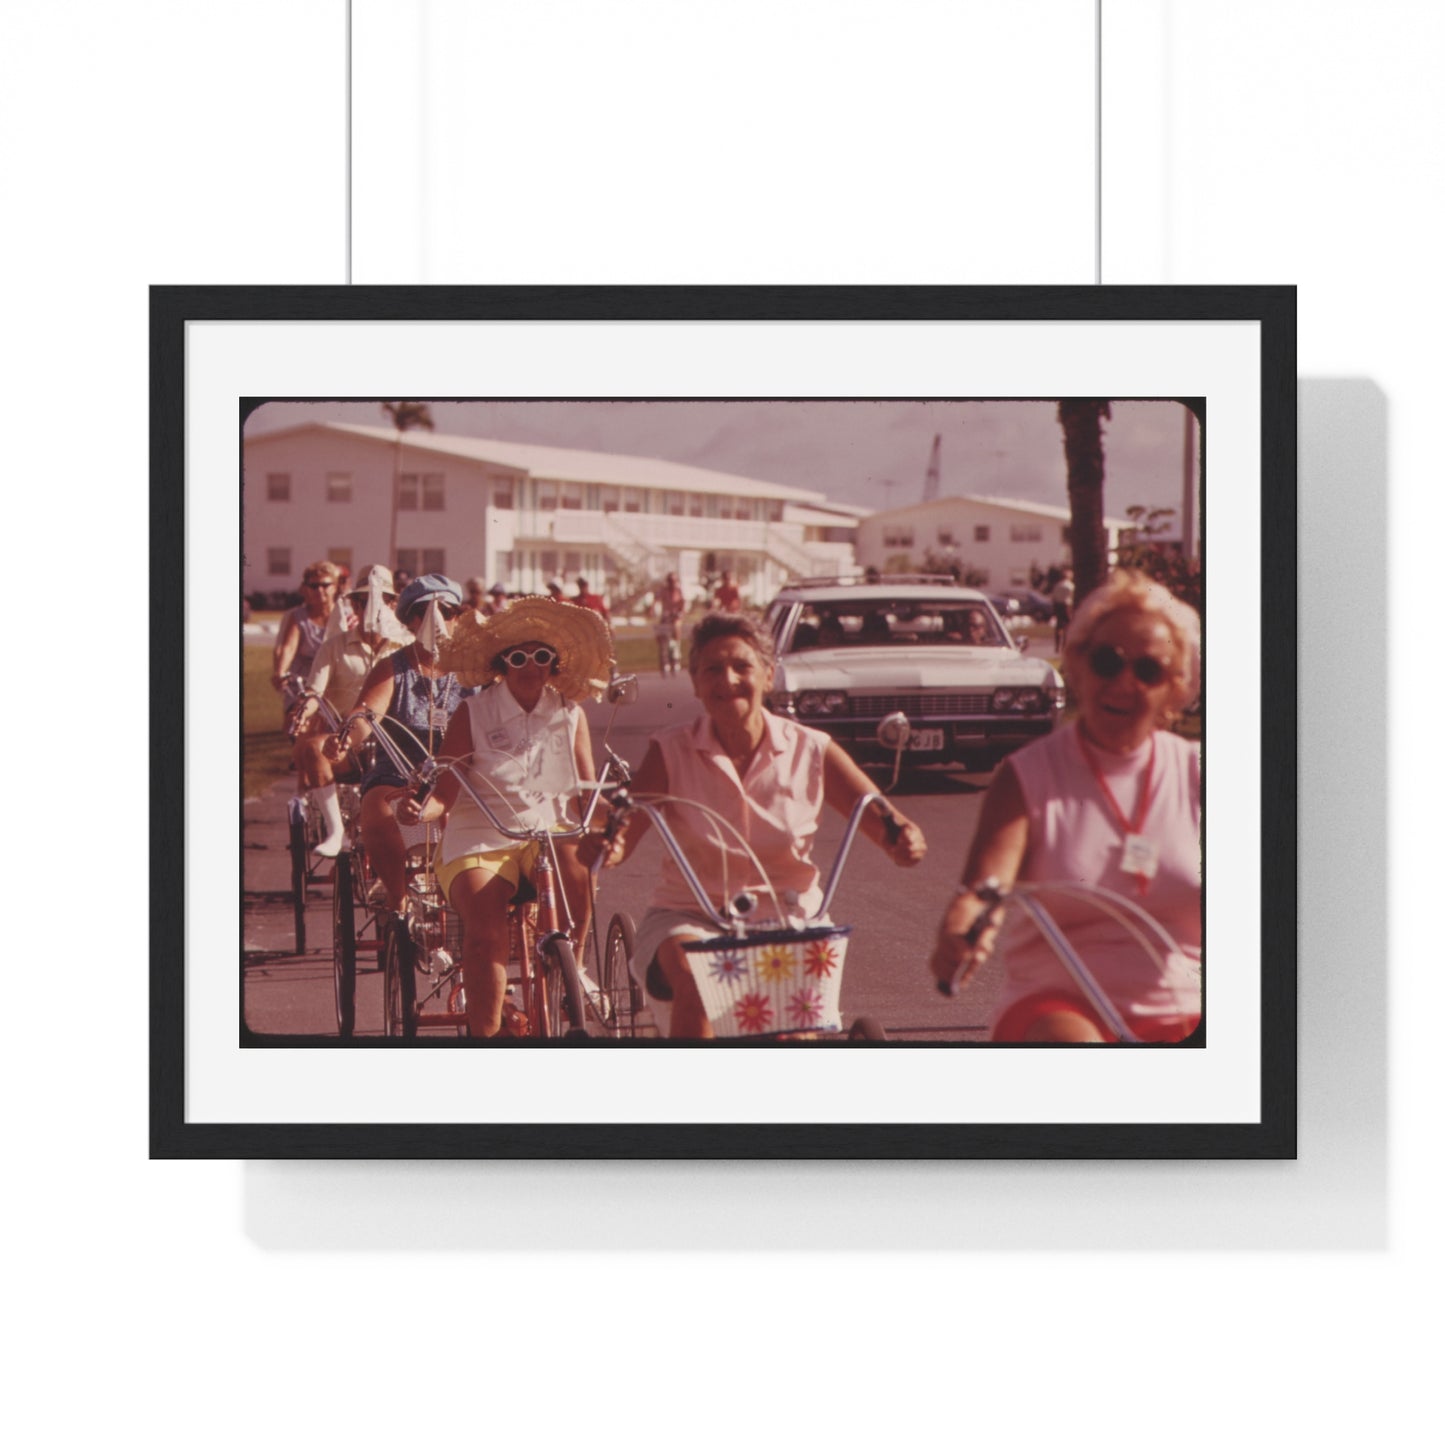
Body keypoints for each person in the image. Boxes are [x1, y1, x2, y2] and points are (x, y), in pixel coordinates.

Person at [583, 611, 927, 1038]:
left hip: (791, 915)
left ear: (768, 676)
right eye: (712, 669)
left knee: (795, 1030)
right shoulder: (670, 750)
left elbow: (883, 819)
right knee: (700, 983)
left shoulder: (813, 749)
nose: (727, 680)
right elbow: (624, 832)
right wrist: (605, 846)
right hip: (691, 914)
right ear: (695, 683)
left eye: (741, 667)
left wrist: (904, 841)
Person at [926, 569, 1201, 1043]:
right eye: (1107, 661)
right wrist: (965, 926)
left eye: (1148, 670)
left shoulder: (1200, 775)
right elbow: (985, 886)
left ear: (1175, 687)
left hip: (1183, 1004)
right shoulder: (1028, 774)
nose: (1123, 683)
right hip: (1058, 1004)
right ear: (1076, 664)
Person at [400, 598, 613, 1038]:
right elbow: (445, 790)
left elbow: (585, 794)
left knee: (580, 866)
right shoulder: (473, 712)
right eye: (518, 657)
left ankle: (575, 963)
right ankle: (488, 1036)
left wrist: (612, 817)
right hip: (482, 835)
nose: (530, 666)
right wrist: (422, 809)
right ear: (502, 664)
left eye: (541, 656)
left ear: (554, 664)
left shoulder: (570, 713)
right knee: (485, 932)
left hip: (549, 831)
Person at [329, 575, 479, 910]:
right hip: (400, 772)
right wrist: (344, 740)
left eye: (448, 611)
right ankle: (398, 901)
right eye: (424, 611)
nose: (438, 620)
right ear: (409, 620)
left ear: (458, 617)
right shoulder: (393, 668)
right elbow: (365, 714)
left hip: (464, 773)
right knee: (377, 809)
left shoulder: (475, 670)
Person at [289, 566, 407, 857]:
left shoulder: (406, 645)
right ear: (354, 605)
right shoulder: (334, 646)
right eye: (365, 602)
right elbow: (315, 690)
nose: (372, 609)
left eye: (381, 601)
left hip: (395, 744)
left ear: (392, 604)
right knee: (312, 749)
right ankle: (336, 831)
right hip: (347, 741)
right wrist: (304, 710)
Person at [271, 561, 340, 708]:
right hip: (304, 685)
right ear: (306, 588)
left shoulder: (346, 616)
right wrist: (280, 671)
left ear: (335, 587)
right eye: (314, 586)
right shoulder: (298, 617)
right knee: (297, 723)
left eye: (325, 585)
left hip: (336, 685)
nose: (319, 590)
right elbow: (288, 647)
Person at [653, 571, 685, 674]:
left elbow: (683, 603)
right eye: (670, 581)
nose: (672, 583)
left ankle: (676, 656)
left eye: (674, 581)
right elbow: (656, 600)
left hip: (675, 617)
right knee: (661, 634)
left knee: (676, 628)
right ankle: (664, 658)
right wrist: (653, 608)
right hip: (666, 615)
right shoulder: (663, 590)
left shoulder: (679, 591)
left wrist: (680, 612)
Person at [1051, 566, 1076, 651]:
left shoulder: (1057, 585)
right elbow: (1072, 597)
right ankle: (1065, 644)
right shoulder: (1070, 586)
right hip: (1066, 606)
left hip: (1058, 606)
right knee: (1068, 626)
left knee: (1059, 625)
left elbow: (1053, 597)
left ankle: (1057, 645)